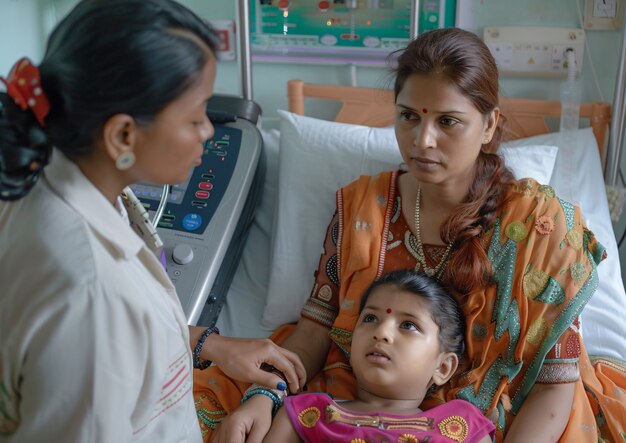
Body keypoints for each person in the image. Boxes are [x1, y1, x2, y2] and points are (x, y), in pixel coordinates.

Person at [194, 27, 626, 443]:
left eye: (448, 121)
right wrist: (266, 396)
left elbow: (554, 387)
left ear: (490, 125)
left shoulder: (540, 225)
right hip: (354, 406)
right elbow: (315, 330)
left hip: (504, 420)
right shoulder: (363, 207)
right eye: (407, 117)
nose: (422, 140)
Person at [0, 1, 306, 441]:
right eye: (196, 115)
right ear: (123, 134)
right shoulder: (89, 288)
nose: (208, 132)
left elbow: (125, 337)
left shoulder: (54, 183)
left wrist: (206, 343)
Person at [263, 270, 496, 443]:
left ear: (443, 367)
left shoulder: (461, 426)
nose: (381, 333)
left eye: (408, 325)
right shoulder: (306, 413)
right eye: (370, 319)